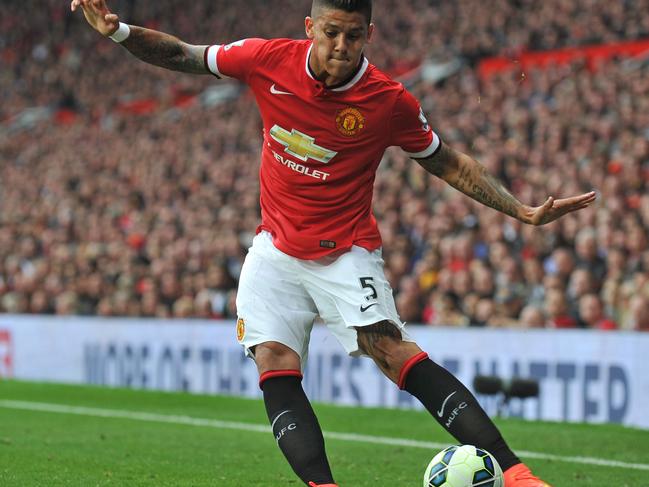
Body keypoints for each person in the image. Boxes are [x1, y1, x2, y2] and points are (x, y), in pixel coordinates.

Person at [72, 1, 597, 485]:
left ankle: (516, 474)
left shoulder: (387, 100)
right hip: (275, 247)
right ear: (310, 28)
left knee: (390, 350)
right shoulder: (266, 59)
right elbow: (186, 55)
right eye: (330, 34)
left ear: (367, 35)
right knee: (273, 358)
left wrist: (521, 211)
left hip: (345, 251)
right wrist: (117, 31)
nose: (341, 47)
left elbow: (447, 161)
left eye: (352, 36)